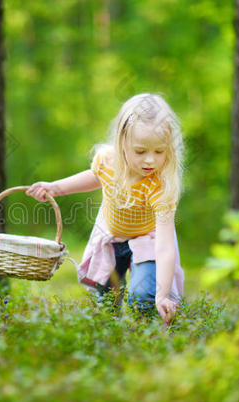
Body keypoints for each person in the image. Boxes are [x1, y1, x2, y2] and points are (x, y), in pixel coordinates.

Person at [26, 93, 184, 324]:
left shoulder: (160, 186)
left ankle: (147, 331)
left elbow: (165, 246)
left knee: (143, 296)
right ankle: (109, 337)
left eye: (159, 152)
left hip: (147, 240)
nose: (150, 160)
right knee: (106, 299)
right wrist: (55, 188)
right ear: (122, 144)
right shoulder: (107, 161)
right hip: (111, 239)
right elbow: (94, 176)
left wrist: (162, 293)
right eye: (140, 151)